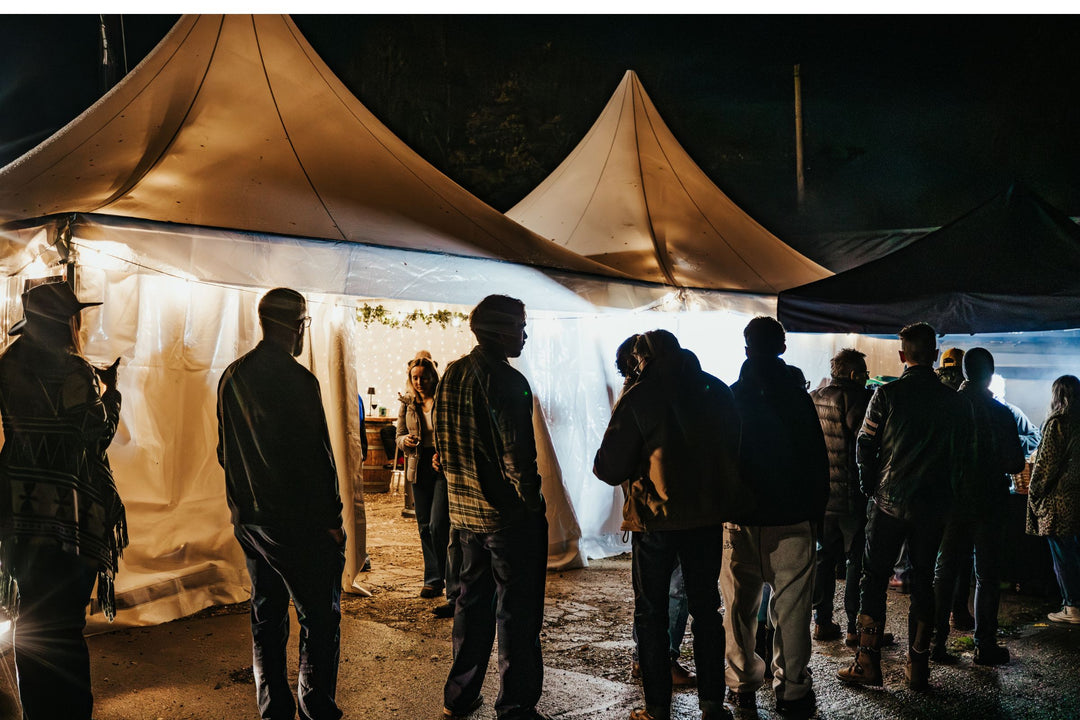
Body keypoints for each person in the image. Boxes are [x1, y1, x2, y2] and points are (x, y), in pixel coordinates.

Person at [595, 330, 740, 720]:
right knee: (707, 610)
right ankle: (712, 704)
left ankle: (657, 708)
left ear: (643, 360)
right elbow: (734, 449)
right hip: (707, 518)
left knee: (651, 613)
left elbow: (608, 467)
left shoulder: (639, 397)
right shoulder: (716, 389)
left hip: (654, 521)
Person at [0, 280, 127, 720]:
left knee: (31, 623)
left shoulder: (8, 363)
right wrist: (111, 394)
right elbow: (93, 436)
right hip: (72, 520)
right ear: (66, 323)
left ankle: (36, 711)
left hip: (20, 515)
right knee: (67, 631)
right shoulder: (74, 371)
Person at [217, 287, 346, 720]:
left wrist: (240, 507)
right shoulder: (299, 380)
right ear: (296, 325)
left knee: (267, 616)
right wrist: (332, 519)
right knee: (319, 619)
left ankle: (273, 709)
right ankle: (316, 706)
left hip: (250, 520)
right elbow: (318, 457)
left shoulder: (233, 375)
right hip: (296, 523)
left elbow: (224, 451)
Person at [435, 295, 551, 720]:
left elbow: (443, 445)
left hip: (464, 516)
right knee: (517, 614)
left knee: (470, 606)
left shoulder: (452, 373)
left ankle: (460, 696)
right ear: (502, 331)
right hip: (505, 520)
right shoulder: (507, 380)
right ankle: (516, 706)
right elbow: (518, 458)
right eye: (522, 325)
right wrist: (532, 506)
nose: (525, 333)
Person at [838, 322, 970, 691]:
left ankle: (867, 663)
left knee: (874, 579)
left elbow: (865, 443)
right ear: (933, 354)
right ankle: (919, 666)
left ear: (902, 356)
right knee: (924, 583)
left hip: (887, 503)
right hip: (934, 507)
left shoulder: (887, 395)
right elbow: (963, 457)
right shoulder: (954, 403)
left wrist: (869, 485)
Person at [721, 316, 828, 718]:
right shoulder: (800, 400)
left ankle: (742, 685)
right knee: (794, 611)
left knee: (738, 611)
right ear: (782, 347)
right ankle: (793, 689)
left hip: (740, 520)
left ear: (746, 348)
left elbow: (723, 458)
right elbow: (818, 462)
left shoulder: (732, 396)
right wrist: (816, 516)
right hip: (792, 518)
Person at [931, 348, 1024, 665]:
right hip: (989, 503)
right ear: (991, 372)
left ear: (964, 372)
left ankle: (936, 644)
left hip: (950, 502)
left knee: (944, 572)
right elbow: (1015, 463)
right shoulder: (1000, 412)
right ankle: (984, 646)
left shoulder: (945, 407)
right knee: (986, 575)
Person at [615, 334, 695, 688]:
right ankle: (656, 662)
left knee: (659, 593)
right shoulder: (641, 398)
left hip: (652, 509)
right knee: (671, 591)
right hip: (658, 510)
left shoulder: (639, 396)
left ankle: (649, 661)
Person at [809, 348, 873, 645]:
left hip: (822, 496)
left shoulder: (814, 397)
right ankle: (853, 628)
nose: (866, 377)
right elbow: (864, 446)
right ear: (851, 373)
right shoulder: (858, 399)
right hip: (850, 497)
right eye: (863, 372)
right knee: (855, 563)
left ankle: (822, 623)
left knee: (823, 560)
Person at [1026, 375, 1080, 624]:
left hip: (1061, 500)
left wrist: (1034, 493)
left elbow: (1045, 464)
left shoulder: (1059, 422)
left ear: (1057, 396)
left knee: (1063, 553)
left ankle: (1072, 607)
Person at [397, 356, 451, 599]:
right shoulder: (407, 403)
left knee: (439, 524)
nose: (419, 382)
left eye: (423, 377)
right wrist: (404, 441)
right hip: (417, 464)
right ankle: (433, 579)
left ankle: (449, 576)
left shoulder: (444, 398)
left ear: (433, 376)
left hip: (440, 463)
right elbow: (399, 434)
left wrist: (445, 454)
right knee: (423, 526)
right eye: (414, 377)